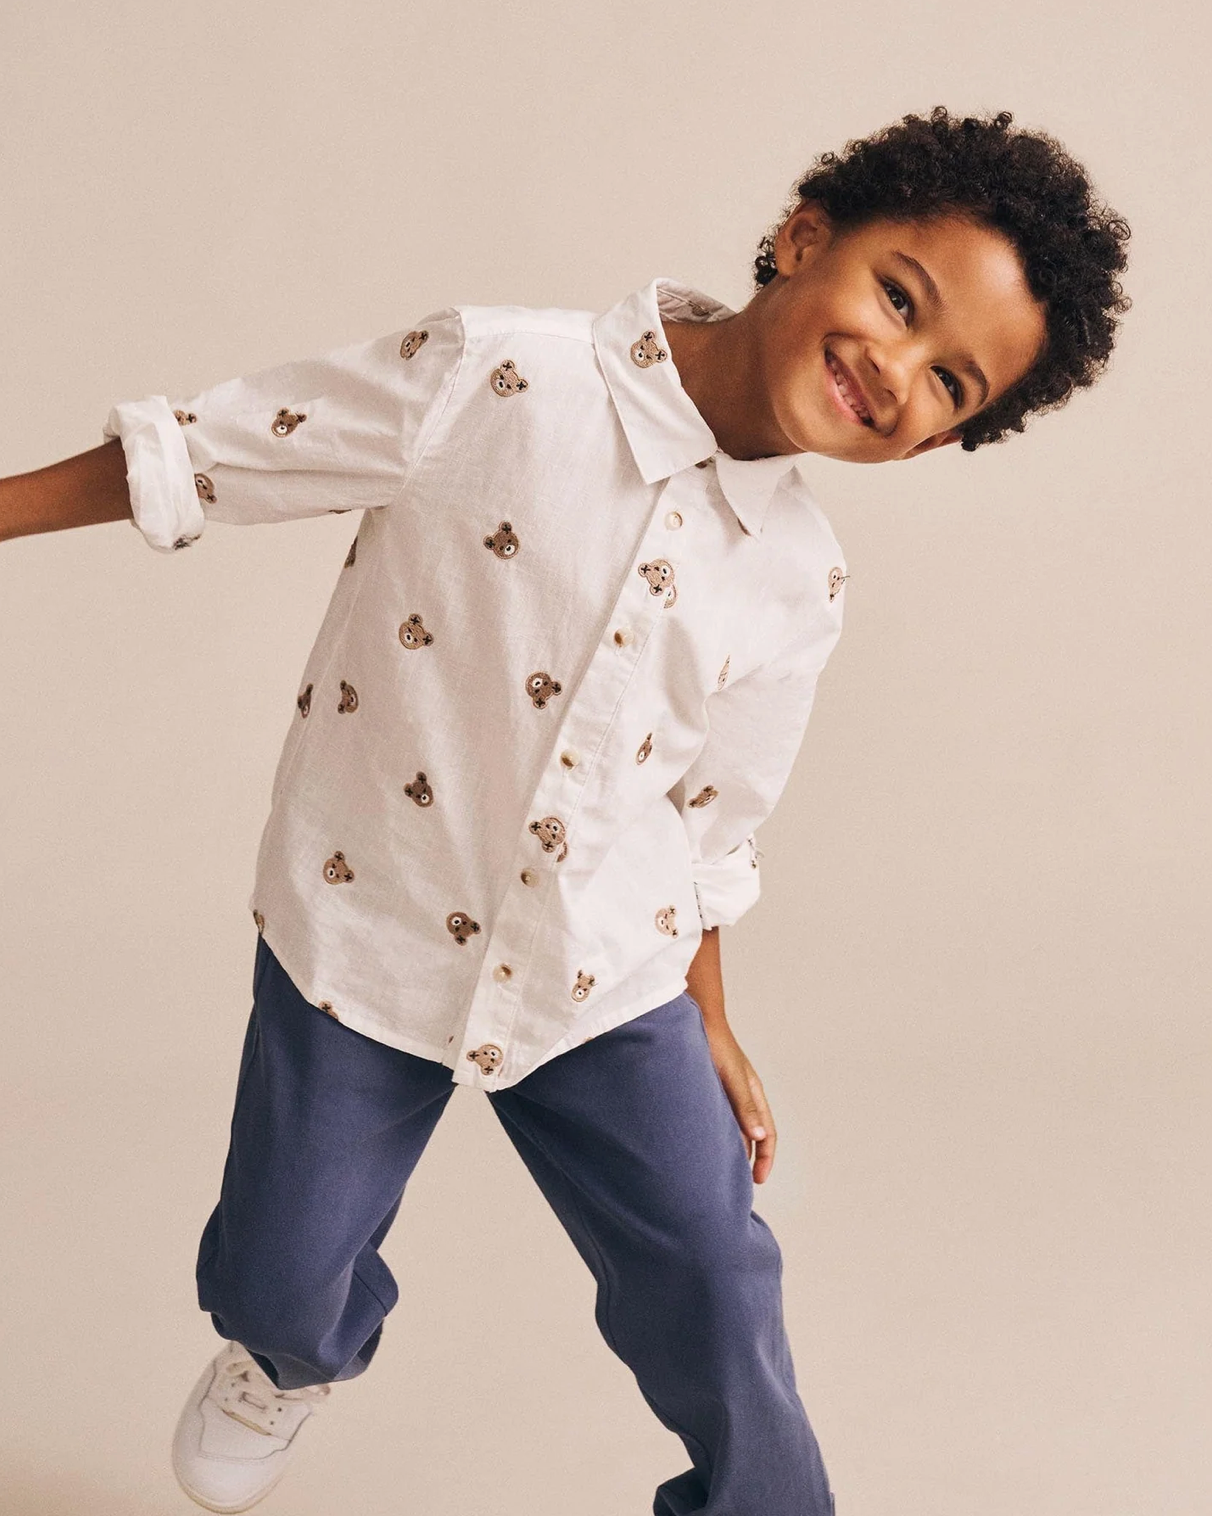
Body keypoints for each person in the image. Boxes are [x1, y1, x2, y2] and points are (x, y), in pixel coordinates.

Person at [0, 107, 1130, 1516]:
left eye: (950, 383)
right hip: (366, 926)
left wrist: (710, 1016)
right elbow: (210, 453)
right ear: (805, 238)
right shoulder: (501, 374)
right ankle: (287, 1358)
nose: (897, 368)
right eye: (901, 299)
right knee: (279, 1270)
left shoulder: (801, 582)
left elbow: (711, 822)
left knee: (716, 1279)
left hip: (606, 971)